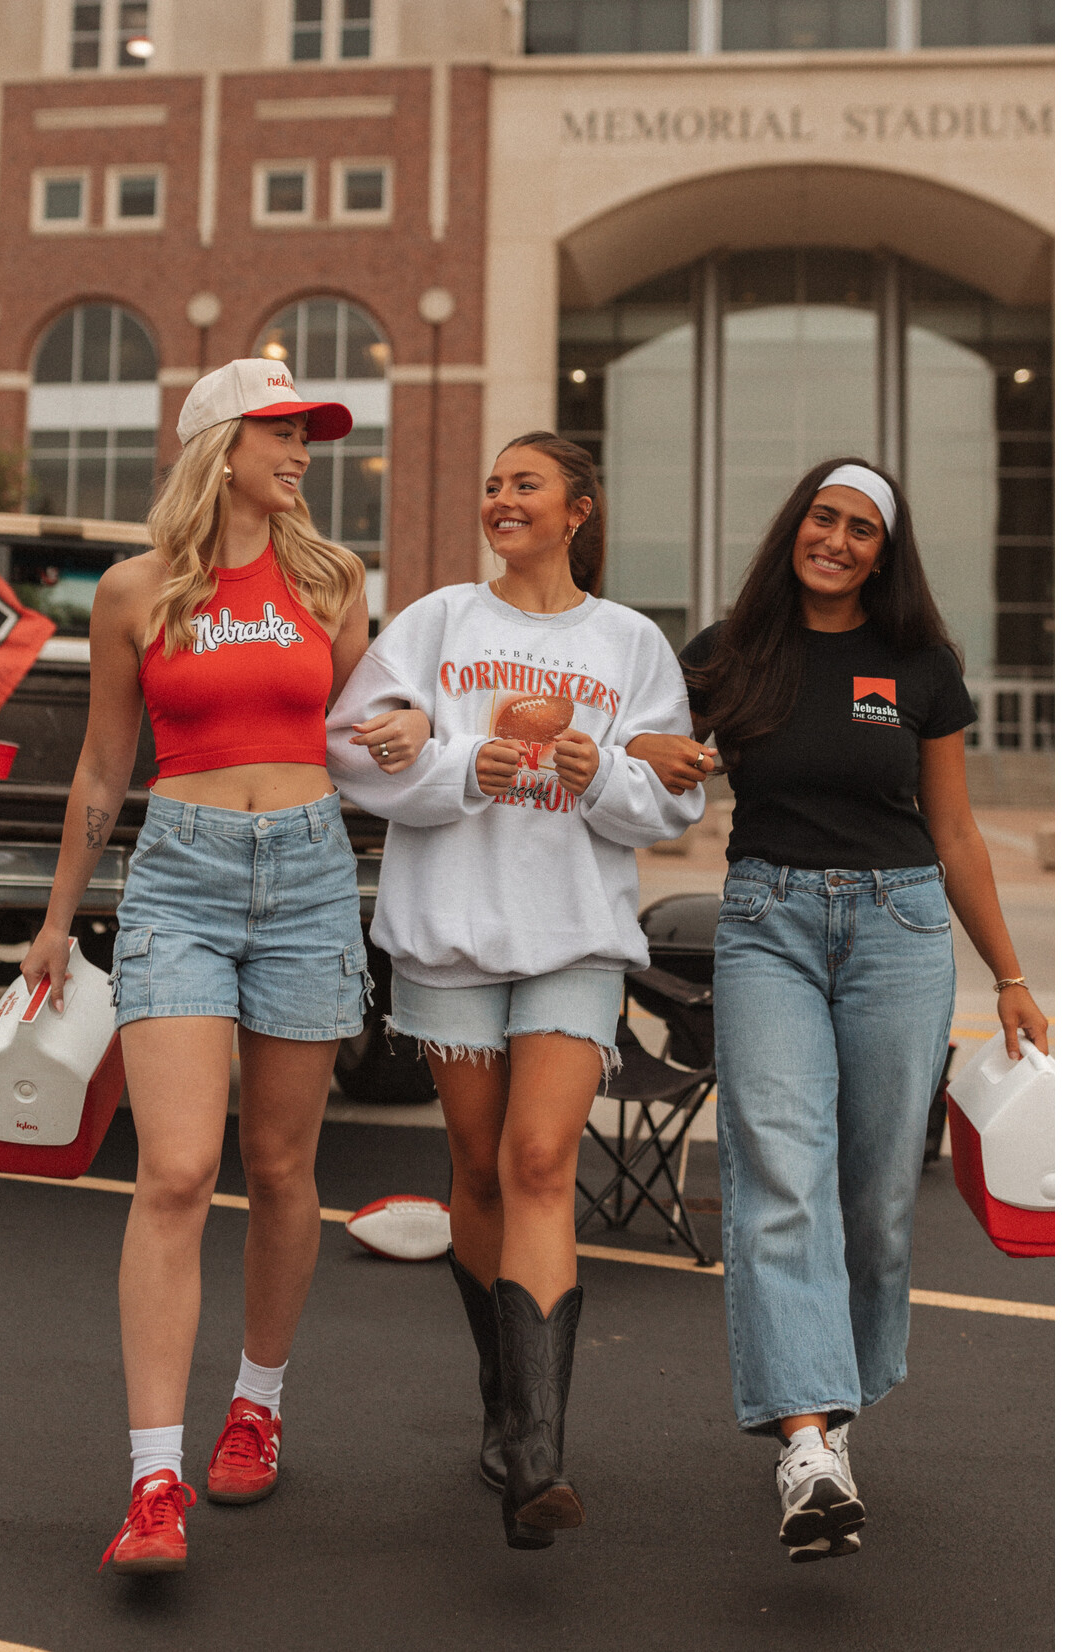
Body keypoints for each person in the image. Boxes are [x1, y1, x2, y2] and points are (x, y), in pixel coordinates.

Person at [19, 360, 429, 1577]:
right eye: (280, 431)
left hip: (307, 873)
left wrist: (404, 731)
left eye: (307, 433)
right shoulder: (137, 591)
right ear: (217, 443)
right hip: (179, 878)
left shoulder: (331, 580)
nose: (302, 450)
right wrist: (56, 919)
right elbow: (103, 769)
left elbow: (362, 736)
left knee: (281, 1160)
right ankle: (153, 1477)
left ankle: (257, 1399)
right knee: (178, 1167)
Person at [627, 458, 1049, 1565]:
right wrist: (642, 747)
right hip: (765, 918)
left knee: (873, 1195)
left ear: (884, 550)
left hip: (899, 931)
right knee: (776, 1169)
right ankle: (805, 1441)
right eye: (824, 516)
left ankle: (833, 1400)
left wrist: (1007, 973)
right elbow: (647, 746)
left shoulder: (918, 667)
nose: (838, 538)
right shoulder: (727, 649)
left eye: (862, 528)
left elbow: (953, 832)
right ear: (795, 524)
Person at [326, 432, 704, 1549]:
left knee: (540, 1159)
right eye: (490, 482)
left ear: (577, 508)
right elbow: (354, 749)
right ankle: (504, 1398)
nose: (499, 497)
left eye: (523, 483)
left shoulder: (629, 643)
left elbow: (673, 795)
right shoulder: (439, 622)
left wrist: (606, 778)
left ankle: (537, 1451)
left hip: (572, 937)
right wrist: (452, 767)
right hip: (450, 935)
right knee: (477, 1167)